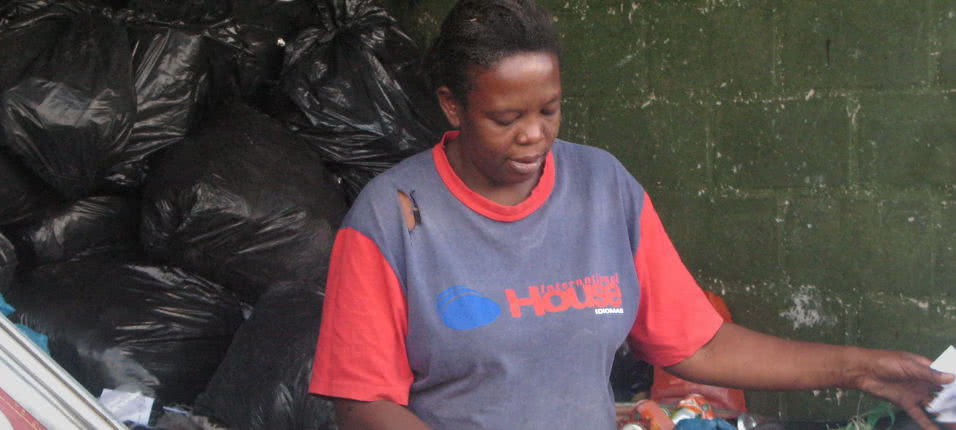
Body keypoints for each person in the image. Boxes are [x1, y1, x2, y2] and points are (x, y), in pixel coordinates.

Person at [307, 0, 955, 428]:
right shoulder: (394, 217)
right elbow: (362, 402)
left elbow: (698, 341)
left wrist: (860, 368)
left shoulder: (602, 186)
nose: (534, 135)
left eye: (549, 110)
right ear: (452, 107)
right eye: (506, 118)